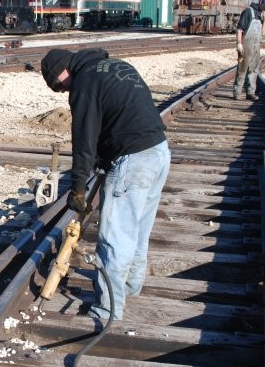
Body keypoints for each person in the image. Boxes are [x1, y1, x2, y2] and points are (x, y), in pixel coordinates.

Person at [40, 48, 170, 321]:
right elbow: (116, 118)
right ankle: (130, 287)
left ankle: (108, 309)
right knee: (136, 230)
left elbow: (84, 141)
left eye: (60, 86)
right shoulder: (115, 66)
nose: (65, 91)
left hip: (133, 161)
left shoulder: (84, 83)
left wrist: (78, 187)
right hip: (159, 153)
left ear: (62, 71)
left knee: (114, 239)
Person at [232, 0, 265, 101]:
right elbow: (240, 29)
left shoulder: (262, 15)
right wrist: (239, 44)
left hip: (256, 45)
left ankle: (250, 92)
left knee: (254, 69)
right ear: (260, 2)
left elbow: (264, 31)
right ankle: (237, 93)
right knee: (242, 69)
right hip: (246, 45)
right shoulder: (248, 12)